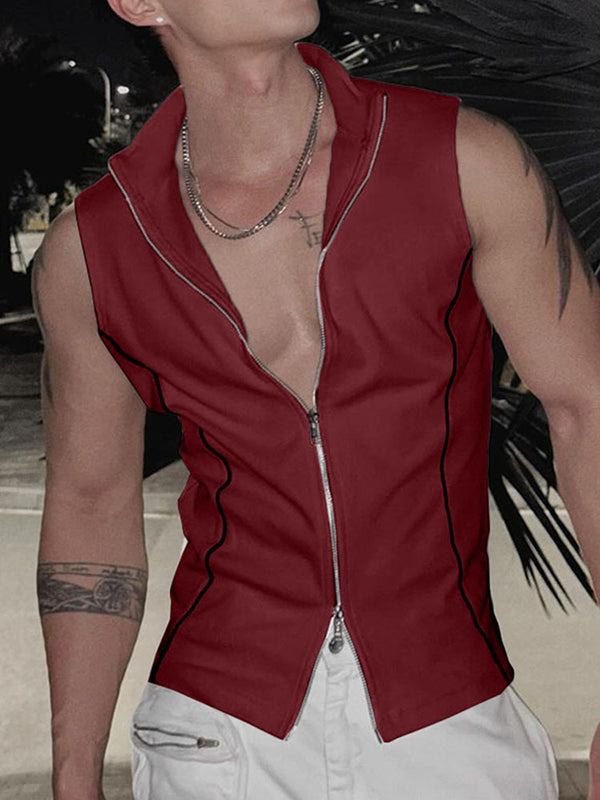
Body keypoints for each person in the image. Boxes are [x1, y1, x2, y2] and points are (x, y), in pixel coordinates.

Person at [32, 1, 600, 799]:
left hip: (454, 722)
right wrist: (72, 774)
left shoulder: (462, 156)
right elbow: (90, 503)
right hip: (216, 736)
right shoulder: (90, 250)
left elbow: (585, 404)